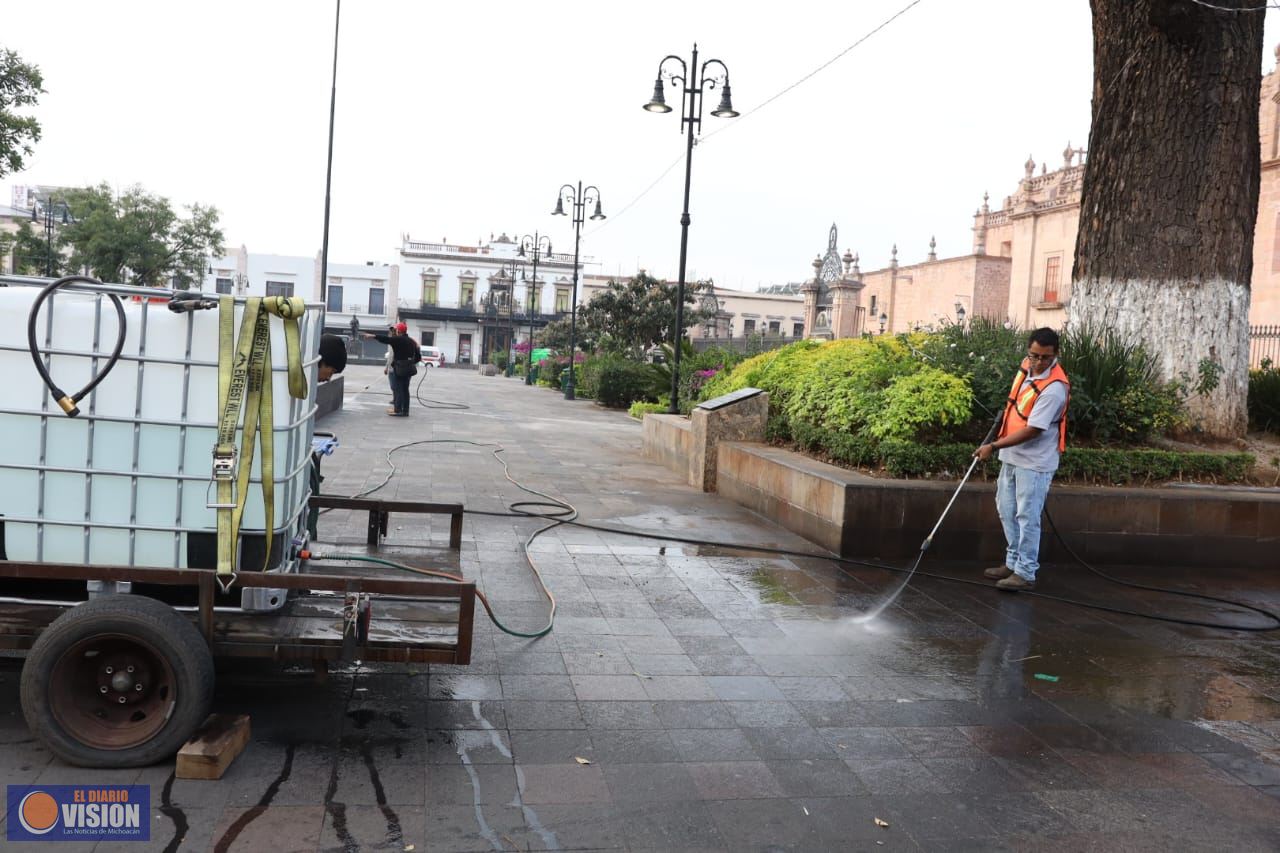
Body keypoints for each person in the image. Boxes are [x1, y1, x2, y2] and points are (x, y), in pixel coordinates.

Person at [974, 327, 1070, 591]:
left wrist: (992, 446)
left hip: (1035, 463)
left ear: (1055, 355)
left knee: (1027, 516)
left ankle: (1025, 573)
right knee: (1007, 511)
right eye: (1035, 355)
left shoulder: (1055, 389)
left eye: (1045, 358)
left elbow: (1034, 429)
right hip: (1012, 457)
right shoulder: (1027, 369)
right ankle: (1012, 562)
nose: (1039, 363)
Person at [364, 322, 420, 416]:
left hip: (400, 368)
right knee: (405, 390)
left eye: (396, 330)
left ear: (398, 331)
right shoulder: (411, 341)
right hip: (409, 369)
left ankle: (398, 410)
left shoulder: (398, 339)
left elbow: (385, 339)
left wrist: (372, 336)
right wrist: (410, 362)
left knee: (398, 389)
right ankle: (405, 411)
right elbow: (418, 357)